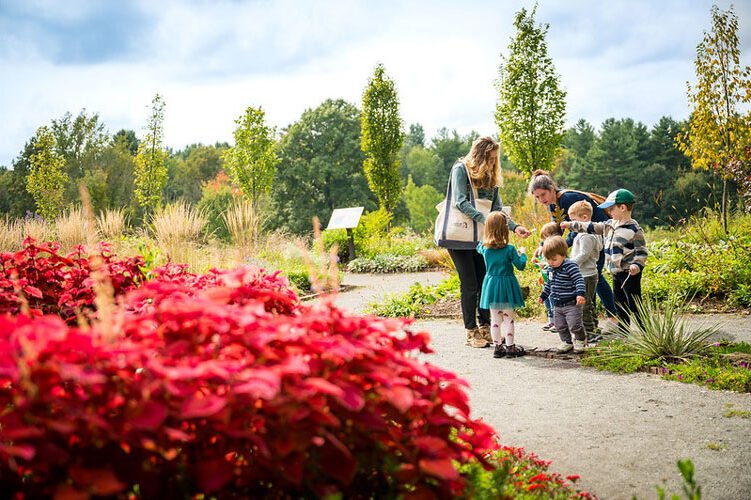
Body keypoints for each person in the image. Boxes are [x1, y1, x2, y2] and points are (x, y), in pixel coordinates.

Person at [443, 136, 531, 348]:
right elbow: (460, 201)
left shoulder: (491, 177)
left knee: (484, 281)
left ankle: (485, 326)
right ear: (480, 156)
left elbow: (497, 209)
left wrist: (514, 226)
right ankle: (471, 330)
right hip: (461, 238)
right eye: (490, 158)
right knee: (470, 284)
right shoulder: (460, 170)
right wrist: (488, 221)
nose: (493, 163)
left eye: (495, 159)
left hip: (482, 238)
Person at [528, 170, 618, 326]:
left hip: (597, 237)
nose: (541, 199)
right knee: (589, 277)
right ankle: (590, 319)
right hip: (584, 238)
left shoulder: (567, 199)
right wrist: (544, 246)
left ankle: (612, 317)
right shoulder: (553, 205)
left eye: (543, 195)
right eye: (537, 197)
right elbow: (556, 231)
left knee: (594, 276)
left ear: (551, 189)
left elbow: (576, 228)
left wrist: (560, 246)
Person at [562, 189, 648, 326]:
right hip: (616, 272)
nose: (609, 212)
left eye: (611, 209)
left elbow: (642, 251)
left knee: (634, 302)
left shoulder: (634, 229)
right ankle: (624, 329)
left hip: (629, 273)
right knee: (619, 302)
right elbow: (591, 226)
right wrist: (571, 225)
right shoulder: (609, 225)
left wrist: (637, 265)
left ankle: (646, 329)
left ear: (623, 208)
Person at [476, 211, 528, 358]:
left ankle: (498, 348)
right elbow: (521, 266)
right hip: (507, 285)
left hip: (491, 285)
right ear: (505, 229)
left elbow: (479, 245)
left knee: (495, 320)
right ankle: (510, 347)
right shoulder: (510, 249)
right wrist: (522, 253)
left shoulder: (485, 249)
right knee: (508, 318)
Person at [538, 236, 587, 354]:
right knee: (560, 325)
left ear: (563, 255)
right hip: (557, 305)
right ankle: (566, 342)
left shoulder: (570, 266)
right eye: (548, 259)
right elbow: (549, 284)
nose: (550, 262)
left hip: (571, 303)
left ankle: (580, 339)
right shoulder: (550, 268)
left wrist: (580, 294)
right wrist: (543, 295)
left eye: (554, 259)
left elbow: (579, 280)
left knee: (574, 324)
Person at [567, 200, 603, 342]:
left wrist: (569, 264)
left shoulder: (586, 236)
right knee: (588, 302)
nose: (572, 225)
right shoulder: (586, 234)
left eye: (574, 221)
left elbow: (584, 254)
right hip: (586, 273)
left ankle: (590, 331)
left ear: (584, 219)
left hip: (586, 274)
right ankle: (594, 326)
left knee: (584, 304)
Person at [531, 222, 563, 332]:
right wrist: (535, 258)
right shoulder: (543, 246)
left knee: (554, 300)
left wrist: (544, 264)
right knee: (547, 301)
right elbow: (537, 252)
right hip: (545, 279)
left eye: (546, 237)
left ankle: (558, 321)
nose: (543, 241)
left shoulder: (557, 249)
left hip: (555, 280)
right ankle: (551, 320)